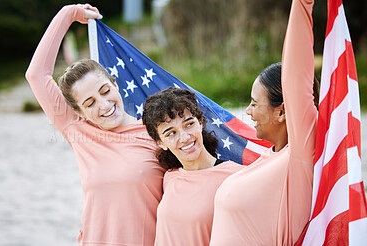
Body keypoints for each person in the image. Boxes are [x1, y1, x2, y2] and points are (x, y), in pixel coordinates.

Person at [25, 4, 165, 246]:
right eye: (90, 102)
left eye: (105, 91)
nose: (104, 105)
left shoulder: (157, 132)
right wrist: (69, 13)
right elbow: (36, 75)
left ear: (115, 84)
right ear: (79, 111)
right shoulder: (78, 131)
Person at [209, 0, 319, 245]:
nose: (247, 111)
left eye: (254, 104)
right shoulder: (267, 157)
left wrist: (302, 4)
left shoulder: (299, 157)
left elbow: (297, 78)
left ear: (282, 112)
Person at [142, 87, 244, 245]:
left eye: (189, 124)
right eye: (171, 133)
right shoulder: (169, 177)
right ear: (161, 143)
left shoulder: (235, 177)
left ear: (201, 123)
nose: (184, 138)